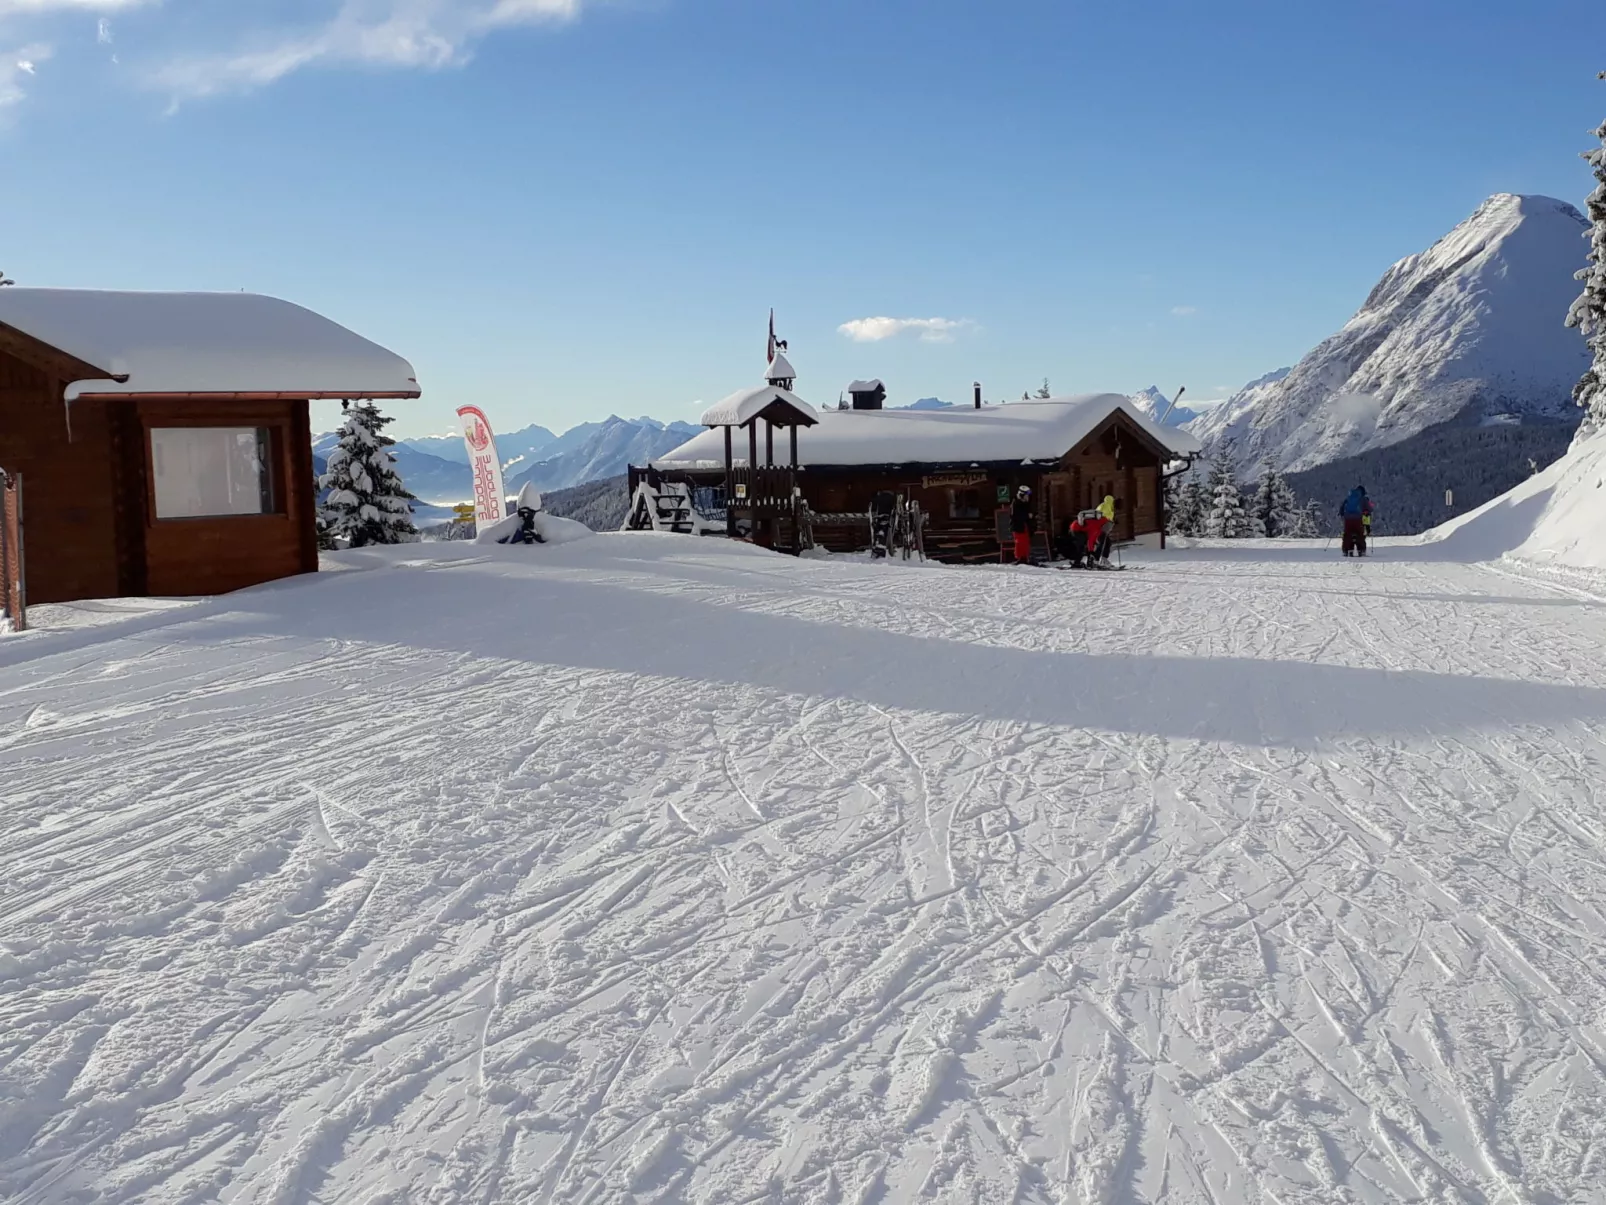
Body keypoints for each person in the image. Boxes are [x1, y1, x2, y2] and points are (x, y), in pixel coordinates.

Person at [1339, 485, 1369, 556]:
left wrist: (1342, 514)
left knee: (1347, 534)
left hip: (1348, 519)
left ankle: (1347, 550)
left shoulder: (1349, 497)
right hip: (1358, 519)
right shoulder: (1363, 499)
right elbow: (1369, 509)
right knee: (1360, 534)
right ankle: (1361, 550)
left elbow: (1342, 508)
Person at [1010, 485, 1035, 563]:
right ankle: (1020, 557)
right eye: (1026, 495)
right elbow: (1015, 515)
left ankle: (1025, 557)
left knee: (1026, 542)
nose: (1027, 497)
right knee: (1020, 542)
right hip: (1018, 526)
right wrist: (1027, 515)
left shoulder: (1026, 503)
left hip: (1025, 525)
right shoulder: (1015, 503)